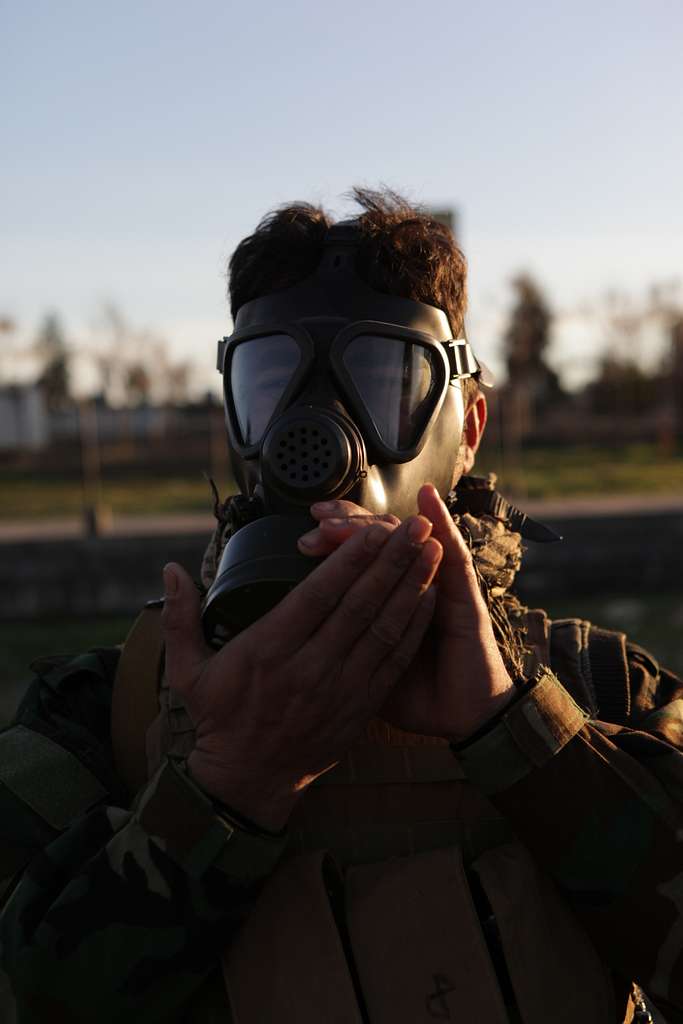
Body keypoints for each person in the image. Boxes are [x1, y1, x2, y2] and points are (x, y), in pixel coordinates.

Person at [1, 188, 681, 1023]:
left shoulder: (603, 691)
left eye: (379, 376)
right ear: (236, 420)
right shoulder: (100, 720)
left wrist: (518, 731)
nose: (315, 432)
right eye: (273, 378)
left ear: (467, 426)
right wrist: (222, 787)